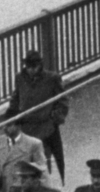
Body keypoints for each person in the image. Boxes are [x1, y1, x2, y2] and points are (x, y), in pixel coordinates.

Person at [8, 50, 67, 182]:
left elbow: (62, 101)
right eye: (28, 67)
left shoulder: (52, 78)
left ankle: (44, 187)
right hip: (26, 129)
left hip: (45, 129)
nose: (31, 70)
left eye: (34, 67)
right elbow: (15, 98)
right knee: (25, 160)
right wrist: (11, 117)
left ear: (40, 65)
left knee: (43, 162)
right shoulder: (19, 78)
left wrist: (54, 119)